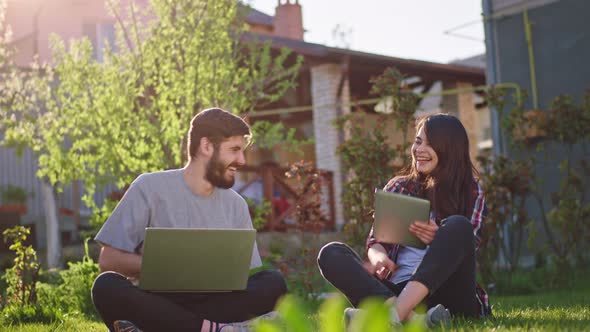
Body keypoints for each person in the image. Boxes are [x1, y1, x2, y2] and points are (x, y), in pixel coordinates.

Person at [91, 108, 287, 332]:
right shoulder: (148, 187)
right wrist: (170, 268)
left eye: (242, 151)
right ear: (206, 147)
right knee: (106, 287)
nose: (241, 160)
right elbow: (109, 260)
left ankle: (188, 327)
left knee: (273, 282)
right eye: (234, 150)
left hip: (213, 304)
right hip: (159, 301)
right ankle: (219, 329)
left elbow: (241, 275)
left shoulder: (236, 204)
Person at [317, 113, 490, 326]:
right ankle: (411, 318)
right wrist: (378, 258)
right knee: (331, 253)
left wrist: (438, 237)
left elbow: (468, 246)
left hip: (448, 294)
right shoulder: (400, 187)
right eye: (417, 142)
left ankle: (392, 316)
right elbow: (376, 241)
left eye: (430, 144)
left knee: (458, 225)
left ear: (450, 149)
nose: (419, 150)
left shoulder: (470, 190)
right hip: (397, 289)